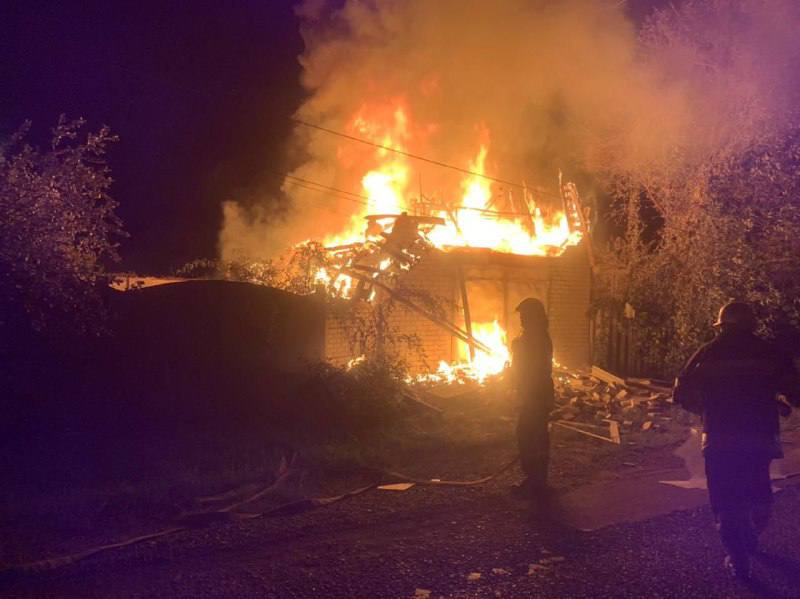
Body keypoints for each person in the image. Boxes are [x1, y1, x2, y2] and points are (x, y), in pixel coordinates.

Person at [674, 301, 799, 580]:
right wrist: (778, 401)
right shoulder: (769, 353)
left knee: (725, 497)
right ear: (751, 325)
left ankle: (739, 557)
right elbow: (794, 389)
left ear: (722, 326)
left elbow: (682, 393)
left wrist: (706, 410)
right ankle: (752, 532)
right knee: (758, 488)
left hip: (720, 437)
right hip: (760, 436)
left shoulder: (706, 354)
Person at [510, 297, 555, 500]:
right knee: (533, 434)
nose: (521, 320)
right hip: (534, 393)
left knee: (530, 435)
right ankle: (536, 479)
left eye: (524, 316)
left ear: (534, 316)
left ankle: (536, 481)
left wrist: (518, 349)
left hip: (536, 394)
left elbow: (534, 367)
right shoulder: (533, 336)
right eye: (521, 316)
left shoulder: (537, 338)